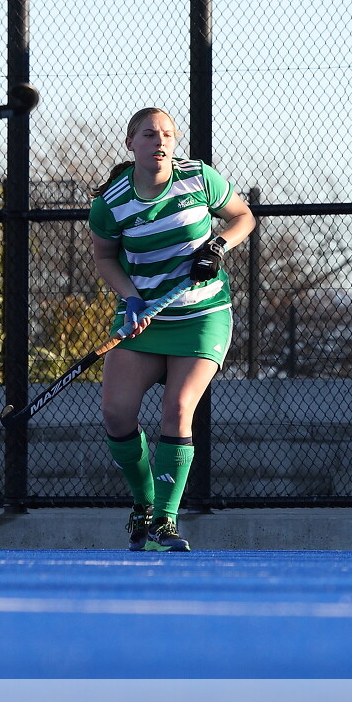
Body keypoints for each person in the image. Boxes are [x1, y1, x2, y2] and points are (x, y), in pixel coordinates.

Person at [88, 107, 255, 552]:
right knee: (116, 414)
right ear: (131, 143)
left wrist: (217, 247)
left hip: (202, 315)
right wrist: (131, 298)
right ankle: (144, 505)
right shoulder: (111, 203)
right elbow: (105, 258)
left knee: (178, 410)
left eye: (167, 134)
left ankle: (164, 522)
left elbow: (243, 217)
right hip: (143, 318)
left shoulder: (198, 178)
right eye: (148, 134)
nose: (159, 141)